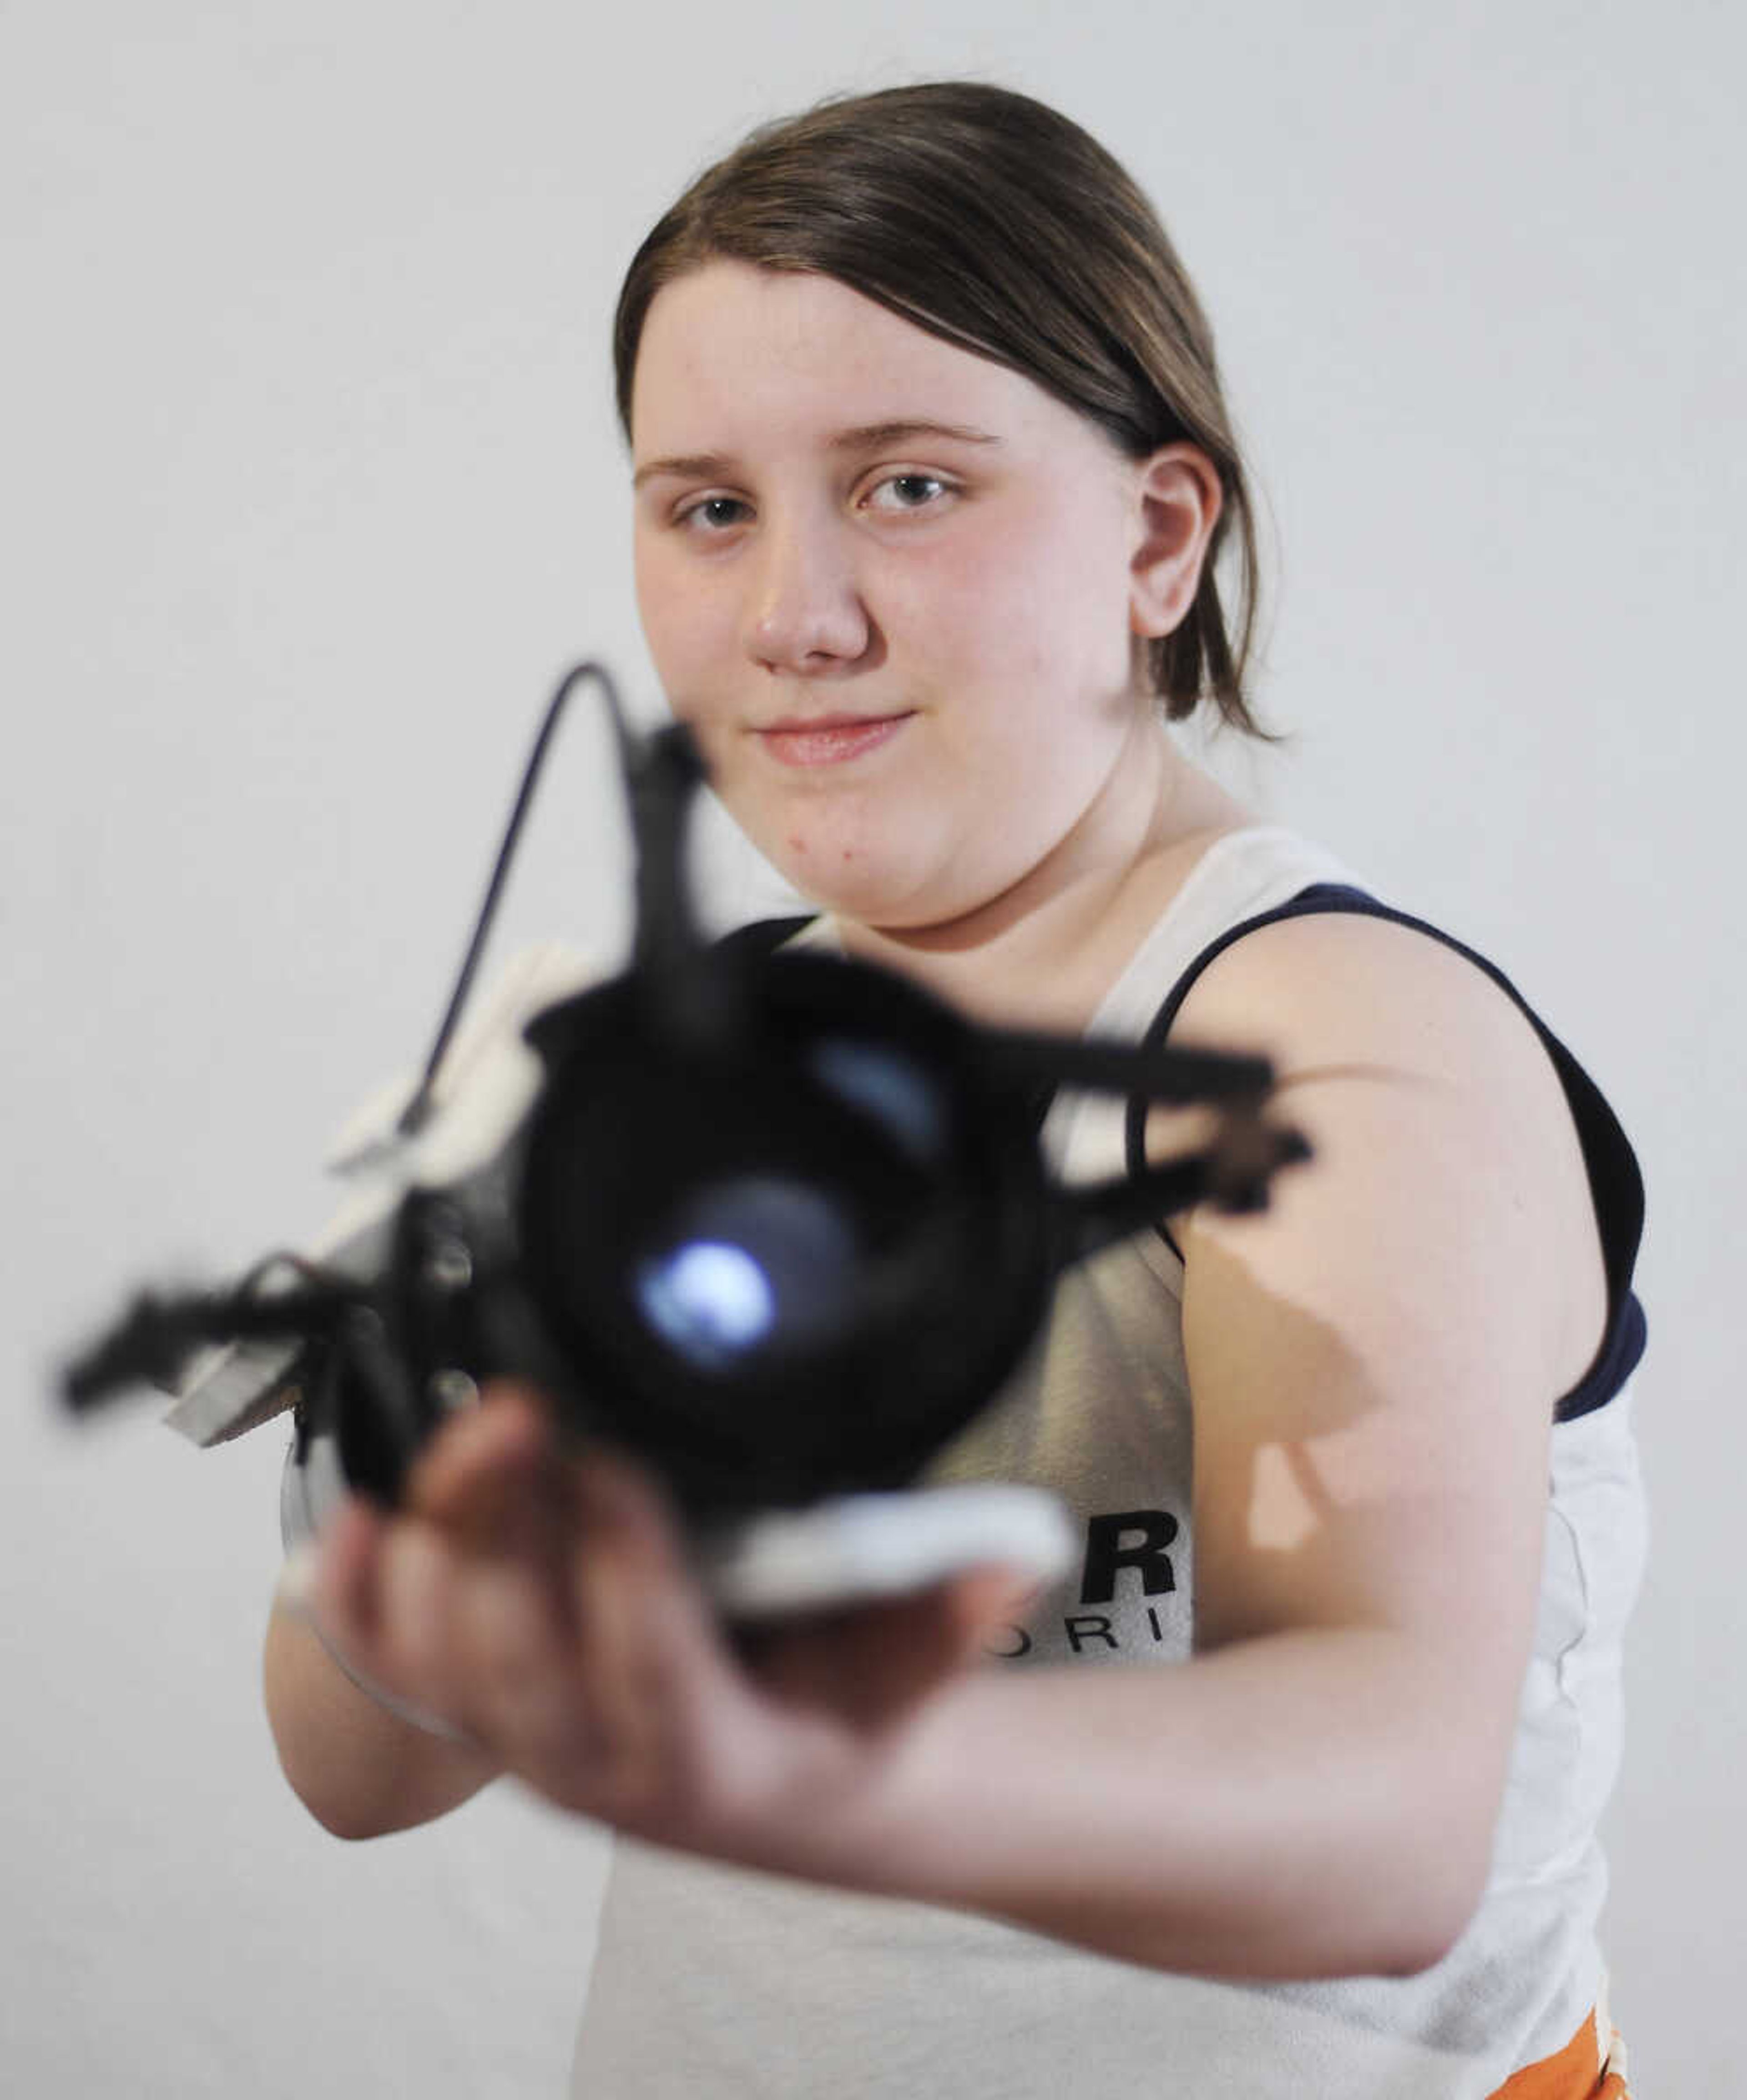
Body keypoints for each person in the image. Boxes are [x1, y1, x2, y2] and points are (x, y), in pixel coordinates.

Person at [263, 81, 1645, 2100]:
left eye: (910, 485)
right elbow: (353, 1769)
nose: (792, 620)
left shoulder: (1329, 1042)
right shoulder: (656, 1080)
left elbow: (1389, 1828)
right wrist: (445, 1445)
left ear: (1160, 534)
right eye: (709, 506)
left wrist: (796, 1756)